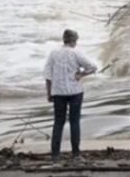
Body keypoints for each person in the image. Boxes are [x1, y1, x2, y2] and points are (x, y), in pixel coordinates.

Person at [42, 29, 97, 163]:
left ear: (64, 40)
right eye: (76, 41)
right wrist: (81, 74)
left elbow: (47, 75)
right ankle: (76, 155)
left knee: (58, 122)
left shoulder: (53, 53)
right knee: (74, 122)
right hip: (75, 92)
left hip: (58, 92)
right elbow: (93, 67)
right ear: (74, 41)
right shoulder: (76, 53)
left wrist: (49, 93)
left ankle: (55, 156)